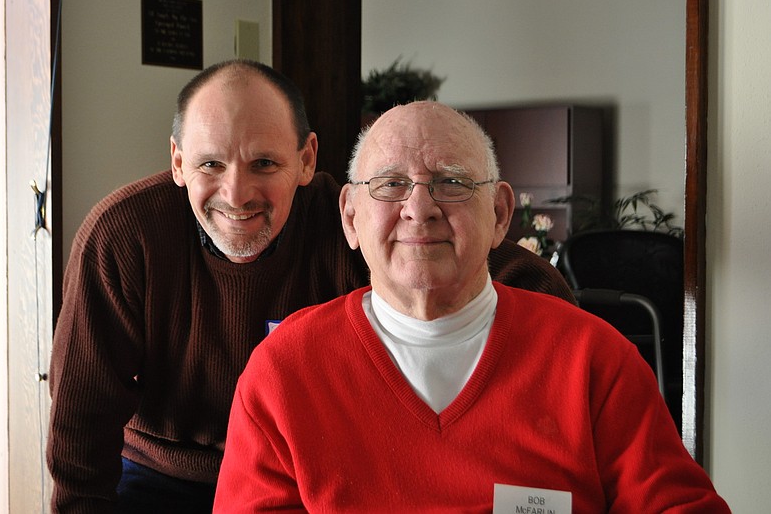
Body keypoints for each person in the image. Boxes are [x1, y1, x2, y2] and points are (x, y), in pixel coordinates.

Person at [46, 60, 575, 513]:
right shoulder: (123, 235)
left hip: (311, 473)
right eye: (211, 163)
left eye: (264, 163)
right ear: (179, 162)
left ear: (306, 160)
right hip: (163, 476)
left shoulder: (351, 223)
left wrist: (572, 351)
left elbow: (483, 259)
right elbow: (80, 427)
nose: (237, 193)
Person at [213, 101, 730, 512]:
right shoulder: (283, 372)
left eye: (452, 183)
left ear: (501, 214)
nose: (419, 208)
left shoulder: (593, 358)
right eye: (391, 185)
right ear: (350, 216)